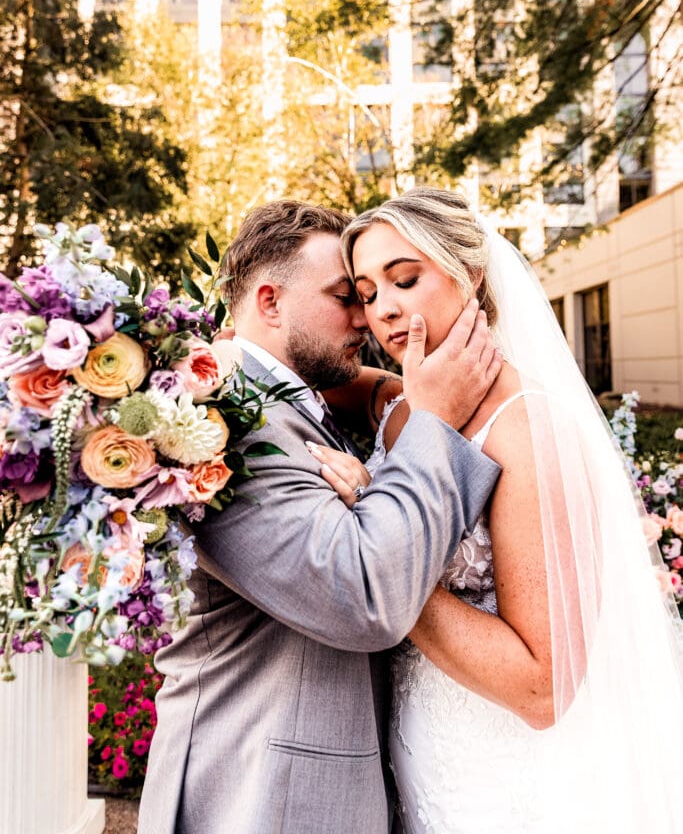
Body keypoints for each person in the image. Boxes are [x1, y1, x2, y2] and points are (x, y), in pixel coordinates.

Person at [312, 187, 683, 833]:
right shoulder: (405, 405)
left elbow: (543, 689)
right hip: (416, 745)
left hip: (502, 775)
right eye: (368, 294)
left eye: (404, 278)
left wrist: (374, 555)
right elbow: (323, 380)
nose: (386, 310)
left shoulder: (528, 426)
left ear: (471, 275)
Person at [137, 200, 503, 834]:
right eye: (346, 296)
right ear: (271, 302)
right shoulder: (223, 428)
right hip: (260, 798)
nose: (367, 317)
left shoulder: (289, 399)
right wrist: (433, 420)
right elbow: (364, 595)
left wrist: (399, 399)